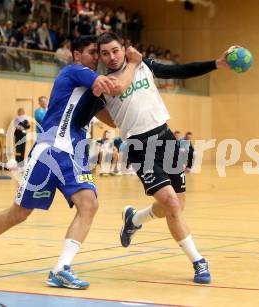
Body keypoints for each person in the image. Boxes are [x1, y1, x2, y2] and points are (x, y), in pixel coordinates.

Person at [0, 35, 142, 290]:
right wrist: (133, 65)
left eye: (100, 53)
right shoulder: (75, 71)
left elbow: (112, 121)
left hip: (75, 155)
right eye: (93, 52)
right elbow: (114, 84)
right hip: (49, 152)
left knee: (89, 205)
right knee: (19, 213)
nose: (97, 57)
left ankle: (61, 268)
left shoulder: (91, 88)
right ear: (77, 55)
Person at [97, 32, 234, 284]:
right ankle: (198, 261)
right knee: (171, 204)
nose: (112, 57)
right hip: (139, 147)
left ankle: (134, 219)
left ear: (123, 48)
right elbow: (101, 114)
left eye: (115, 50)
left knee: (175, 206)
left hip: (166, 139)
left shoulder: (144, 65)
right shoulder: (103, 83)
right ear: (100, 56)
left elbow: (180, 71)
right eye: (105, 53)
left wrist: (216, 63)